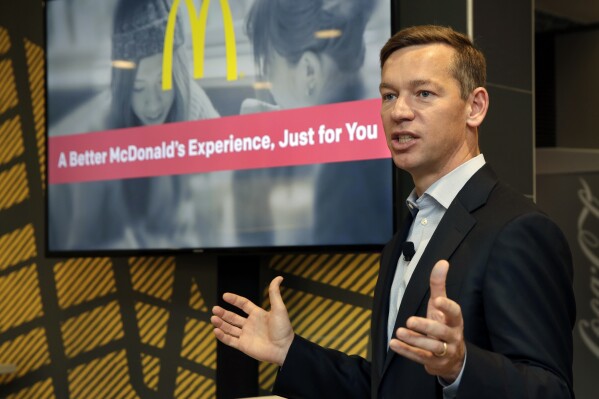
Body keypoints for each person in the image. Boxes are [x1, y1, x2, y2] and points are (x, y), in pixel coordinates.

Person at [211, 25, 576, 398]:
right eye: (389, 95)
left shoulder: (519, 230)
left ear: (475, 107)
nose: (399, 111)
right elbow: (387, 388)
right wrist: (288, 351)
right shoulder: (406, 233)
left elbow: (551, 390)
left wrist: (460, 367)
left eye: (423, 93)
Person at [49, 0, 225, 250]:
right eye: (138, 88)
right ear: (122, 89)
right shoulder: (99, 139)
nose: (152, 105)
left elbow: (222, 214)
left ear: (178, 76)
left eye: (163, 82)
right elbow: (79, 243)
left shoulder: (197, 110)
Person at [232, 0, 392, 247]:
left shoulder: (343, 178)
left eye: (269, 70)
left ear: (308, 72)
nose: (270, 89)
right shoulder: (367, 133)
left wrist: (247, 169)